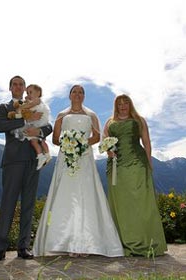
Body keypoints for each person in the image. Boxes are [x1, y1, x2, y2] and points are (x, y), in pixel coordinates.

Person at [33, 85, 123, 258]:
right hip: (66, 158)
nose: (78, 94)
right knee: (65, 194)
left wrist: (81, 143)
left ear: (84, 96)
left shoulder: (91, 115)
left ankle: (87, 243)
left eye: (81, 92)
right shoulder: (62, 115)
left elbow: (97, 137)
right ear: (69, 95)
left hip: (85, 158)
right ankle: (64, 241)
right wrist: (68, 143)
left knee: (86, 194)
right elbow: (55, 139)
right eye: (75, 91)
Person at [0, 75, 53, 262]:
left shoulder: (36, 104)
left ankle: (23, 247)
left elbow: (48, 125)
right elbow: (1, 125)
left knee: (29, 204)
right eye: (15, 84)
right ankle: (0, 248)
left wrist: (39, 131)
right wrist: (27, 120)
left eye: (21, 84)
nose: (18, 87)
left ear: (25, 88)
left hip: (33, 159)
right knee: (8, 203)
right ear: (10, 88)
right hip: (13, 160)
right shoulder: (4, 108)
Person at [102, 94, 167, 257]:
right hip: (116, 167)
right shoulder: (109, 122)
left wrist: (149, 163)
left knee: (139, 202)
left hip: (137, 164)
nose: (123, 106)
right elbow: (104, 140)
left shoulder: (139, 120)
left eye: (126, 103)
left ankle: (145, 241)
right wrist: (108, 151)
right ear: (115, 106)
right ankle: (123, 242)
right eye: (119, 104)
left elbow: (146, 142)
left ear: (130, 105)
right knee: (121, 203)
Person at [8, 84, 52, 170]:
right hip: (33, 126)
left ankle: (46, 154)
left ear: (38, 93)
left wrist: (20, 108)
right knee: (34, 142)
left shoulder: (37, 101)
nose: (28, 95)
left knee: (41, 141)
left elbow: (28, 107)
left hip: (40, 123)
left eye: (30, 92)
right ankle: (42, 156)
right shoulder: (2, 107)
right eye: (27, 93)